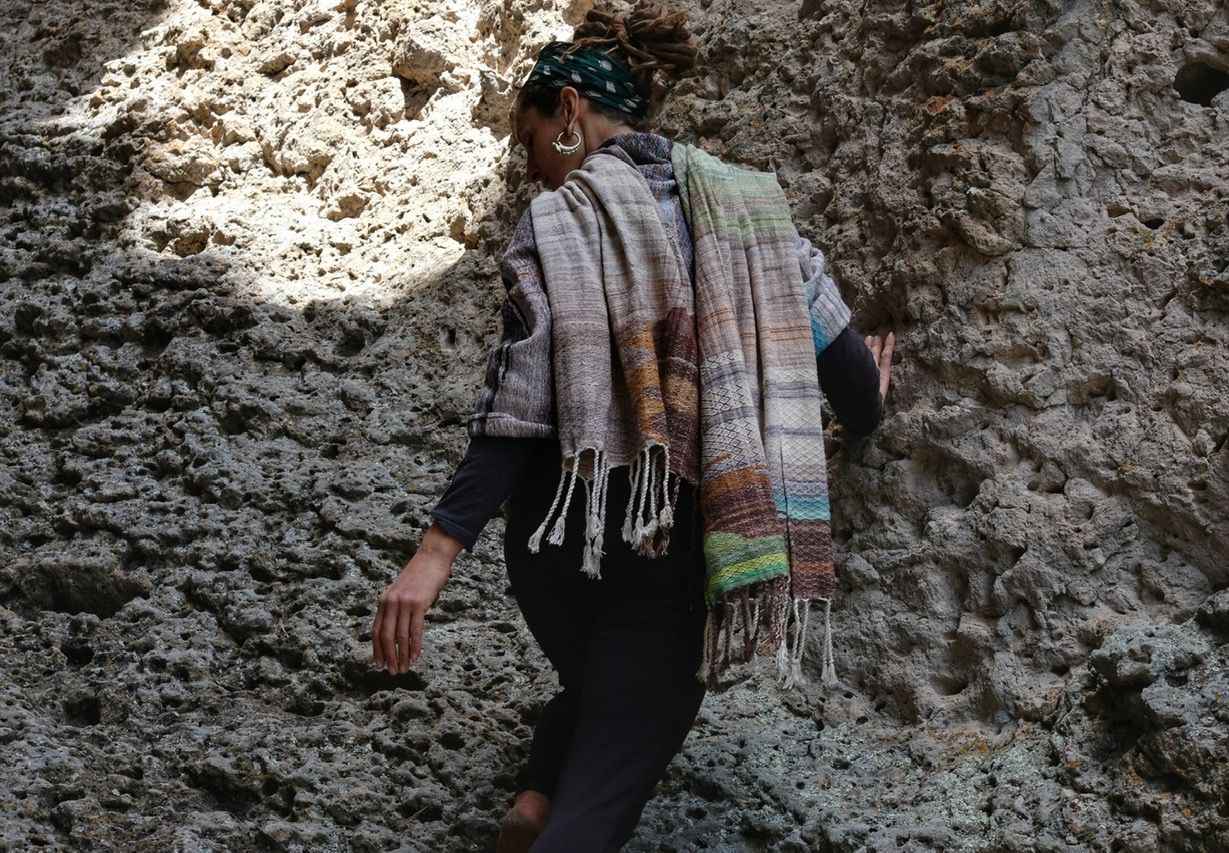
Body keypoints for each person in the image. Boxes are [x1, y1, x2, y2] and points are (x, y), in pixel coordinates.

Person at [370, 4, 896, 850]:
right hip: (667, 545)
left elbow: (518, 403)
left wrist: (433, 558)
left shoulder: (558, 223)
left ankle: (539, 792)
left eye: (532, 136)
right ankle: (562, 819)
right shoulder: (752, 213)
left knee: (606, 690)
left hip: (553, 546)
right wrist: (872, 398)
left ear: (570, 110)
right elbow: (845, 375)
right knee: (624, 757)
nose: (532, 165)